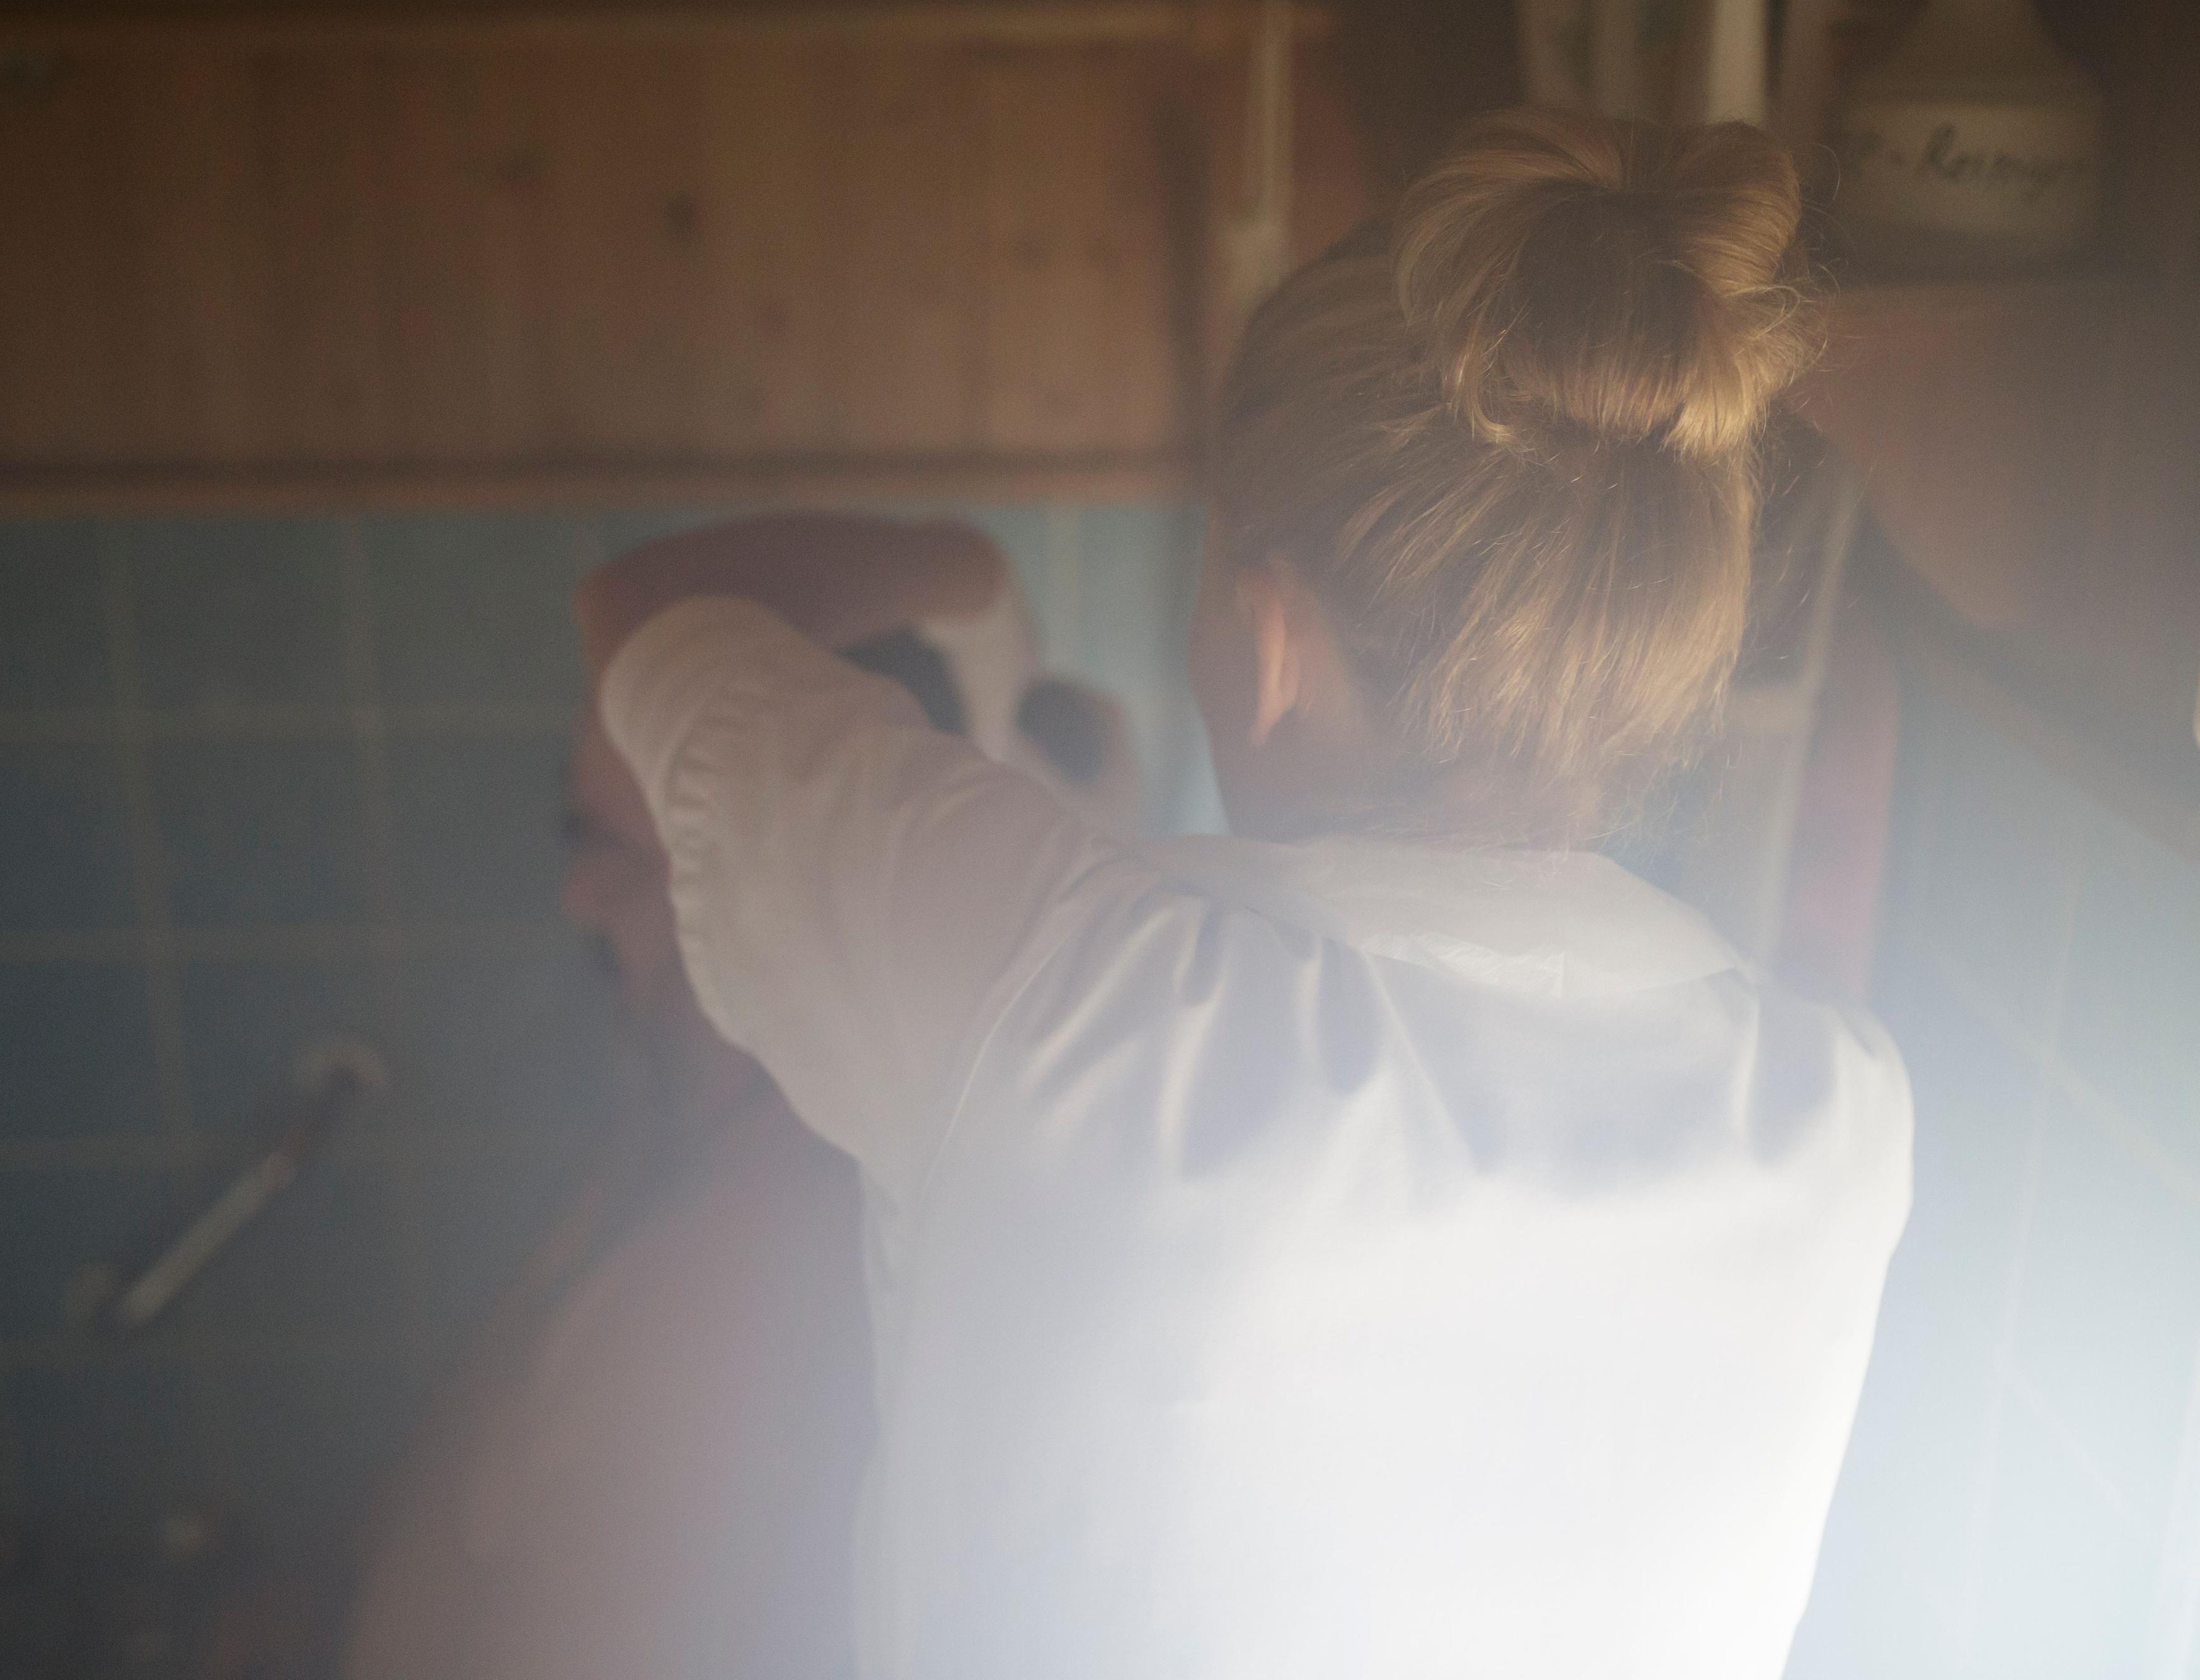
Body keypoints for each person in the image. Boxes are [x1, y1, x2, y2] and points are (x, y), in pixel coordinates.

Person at [574, 110, 1913, 1679]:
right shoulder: (1838, 1115)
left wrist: (964, 570)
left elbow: (649, 617)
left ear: (1267, 632)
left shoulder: (1061, 988)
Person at [340, 570, 1137, 1680]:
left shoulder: (765, 1249)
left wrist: (949, 563)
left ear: (790, 885)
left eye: (642, 848)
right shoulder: (678, 1139)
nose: (581, 894)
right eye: (582, 833)